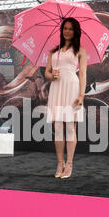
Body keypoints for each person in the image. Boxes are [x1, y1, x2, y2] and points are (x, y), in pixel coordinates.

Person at [45, 17, 87, 179]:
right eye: (65, 28)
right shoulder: (53, 52)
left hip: (72, 88)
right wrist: (51, 75)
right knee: (57, 129)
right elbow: (47, 73)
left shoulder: (80, 50)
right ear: (61, 31)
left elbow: (83, 74)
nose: (67, 31)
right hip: (57, 89)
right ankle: (60, 163)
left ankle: (69, 164)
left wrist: (82, 95)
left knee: (70, 127)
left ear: (75, 31)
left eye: (70, 29)